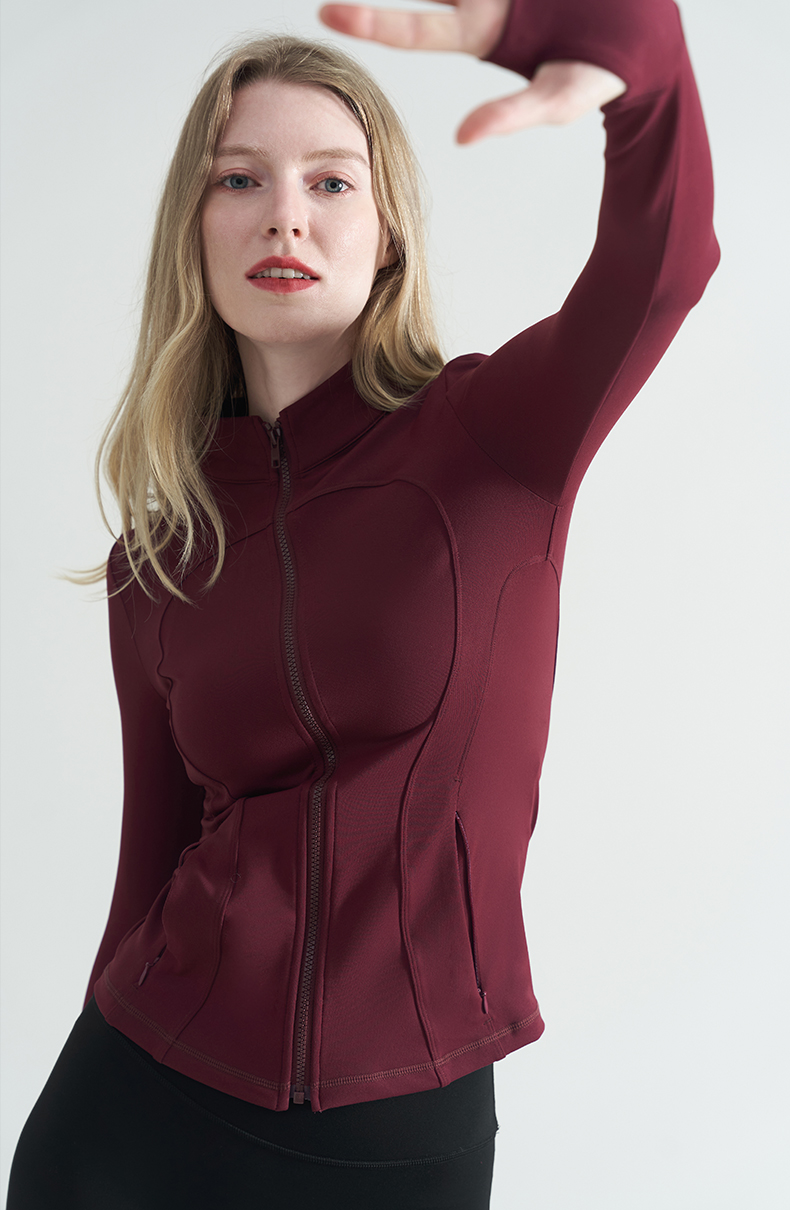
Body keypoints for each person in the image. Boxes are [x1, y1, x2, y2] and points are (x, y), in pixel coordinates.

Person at [7, 0, 719, 1206]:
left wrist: (629, 47)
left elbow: (666, 268)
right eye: (240, 179)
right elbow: (151, 859)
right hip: (136, 1103)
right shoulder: (158, 557)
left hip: (405, 1120)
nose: (284, 213)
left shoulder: (496, 437)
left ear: (386, 232)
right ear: (194, 231)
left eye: (331, 181)